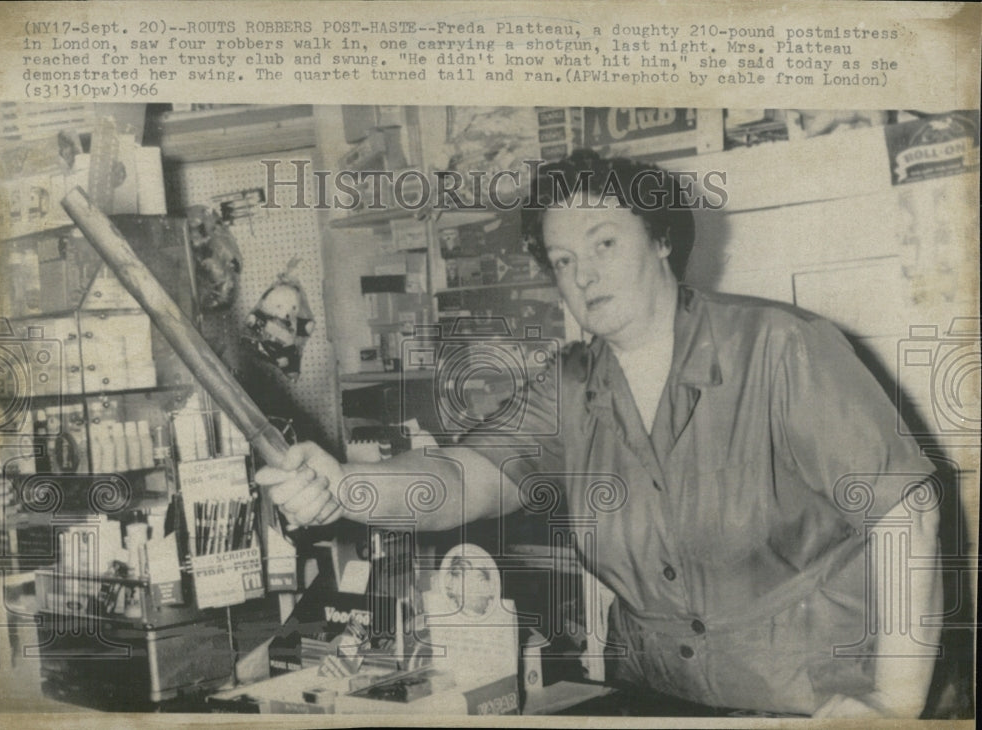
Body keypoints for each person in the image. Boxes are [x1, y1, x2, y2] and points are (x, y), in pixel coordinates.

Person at [257, 149, 941, 718]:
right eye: (561, 260)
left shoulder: (781, 350)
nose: (582, 275)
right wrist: (347, 486)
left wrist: (896, 703)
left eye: (604, 243)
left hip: (821, 704)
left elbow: (904, 511)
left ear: (663, 239)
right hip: (657, 699)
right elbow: (462, 477)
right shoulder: (569, 387)